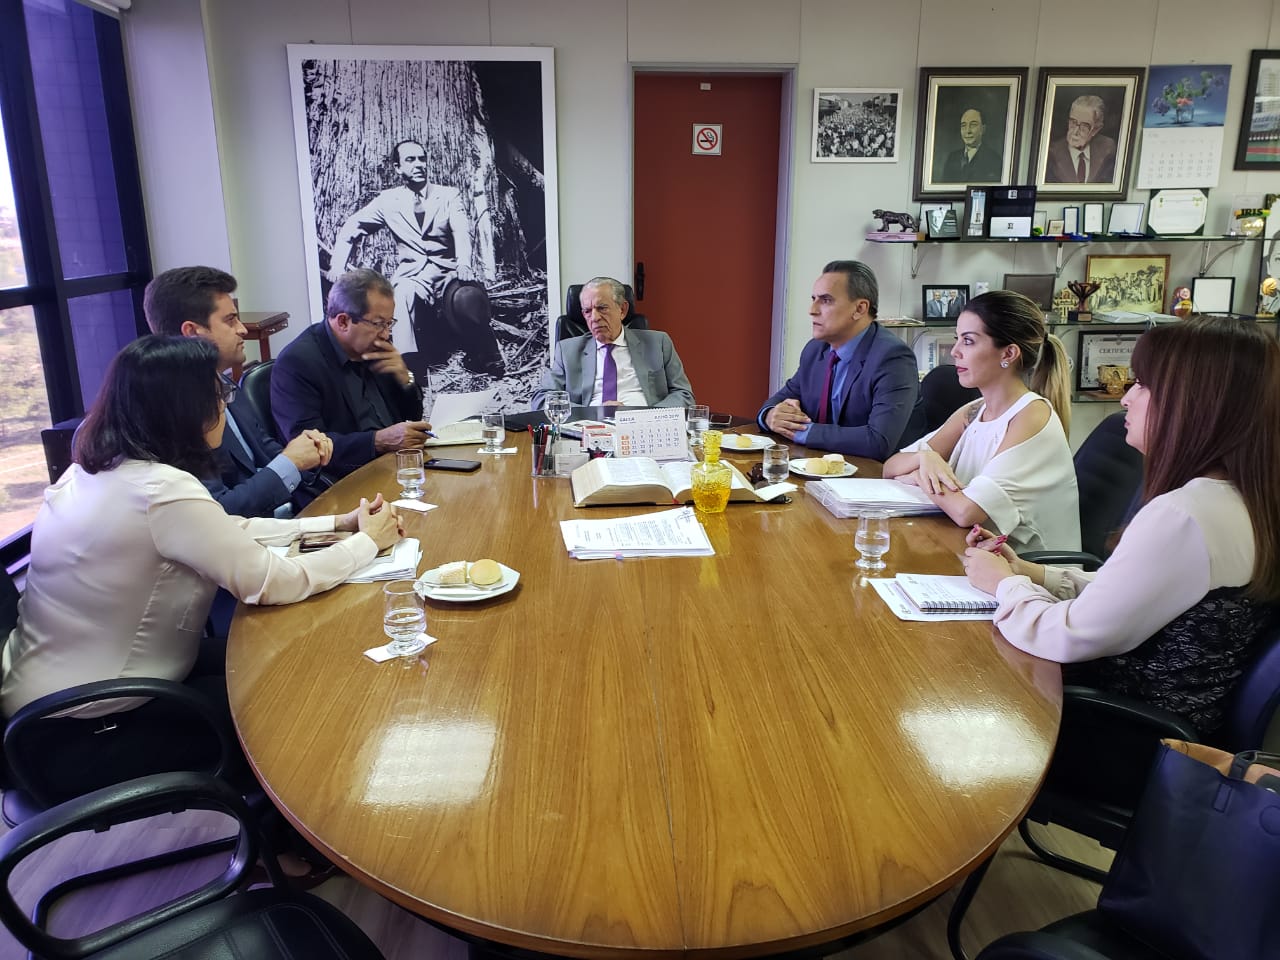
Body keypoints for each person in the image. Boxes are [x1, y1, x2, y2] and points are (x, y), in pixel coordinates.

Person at [0, 334, 403, 735]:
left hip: (48, 697)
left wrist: (339, 524)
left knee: (284, 661)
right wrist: (367, 543)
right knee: (296, 706)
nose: (225, 405)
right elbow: (272, 582)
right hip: (91, 720)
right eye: (218, 394)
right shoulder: (160, 491)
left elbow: (223, 528)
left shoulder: (94, 471)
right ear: (185, 409)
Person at [964, 317, 1280, 734]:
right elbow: (1128, 595)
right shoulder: (1241, 498)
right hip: (1168, 725)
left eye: (1143, 385)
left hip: (1128, 738)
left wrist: (1003, 585)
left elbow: (1068, 636)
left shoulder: (1186, 516)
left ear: (1194, 404)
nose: (1126, 399)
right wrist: (1028, 572)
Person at [883, 290, 1077, 552]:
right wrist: (923, 458)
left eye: (968, 341)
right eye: (957, 340)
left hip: (1020, 569)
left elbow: (967, 512)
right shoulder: (974, 411)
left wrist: (920, 475)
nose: (955, 352)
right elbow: (891, 467)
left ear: (1008, 353)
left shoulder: (1032, 415)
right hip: (972, 552)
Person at [143, 266, 331, 517]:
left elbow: (264, 448)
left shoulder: (221, 379)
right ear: (192, 332)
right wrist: (291, 462)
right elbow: (219, 510)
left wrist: (307, 451)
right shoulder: (170, 411)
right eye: (230, 320)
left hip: (286, 517)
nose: (242, 329)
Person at [328, 139, 503, 377]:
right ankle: (409, 367)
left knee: (468, 298)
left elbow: (462, 231)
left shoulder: (448, 195)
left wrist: (464, 262)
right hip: (413, 275)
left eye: (422, 159)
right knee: (402, 294)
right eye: (410, 160)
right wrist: (337, 265)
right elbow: (352, 227)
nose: (419, 164)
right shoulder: (388, 201)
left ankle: (486, 354)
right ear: (398, 167)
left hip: (448, 272)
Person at [272, 268, 431, 478]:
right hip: (346, 478)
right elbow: (309, 448)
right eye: (378, 324)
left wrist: (405, 379)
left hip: (395, 465)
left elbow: (410, 419)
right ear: (343, 321)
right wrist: (377, 441)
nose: (386, 334)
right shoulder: (298, 363)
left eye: (389, 323)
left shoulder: (375, 348)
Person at [758, 261, 922, 458]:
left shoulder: (893, 358)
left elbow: (878, 441)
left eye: (826, 300)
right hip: (821, 465)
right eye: (814, 299)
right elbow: (784, 396)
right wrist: (770, 415)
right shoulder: (815, 349)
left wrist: (799, 431)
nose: (812, 310)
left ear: (860, 309)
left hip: (878, 472)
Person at [529, 277, 695, 409]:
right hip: (589, 427)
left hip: (643, 427)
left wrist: (646, 416)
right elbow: (541, 398)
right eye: (587, 311)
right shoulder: (568, 351)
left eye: (602, 308)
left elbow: (683, 394)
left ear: (622, 310)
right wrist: (592, 413)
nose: (594, 317)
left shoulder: (658, 343)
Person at [1045, 95, 1117, 184]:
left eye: (1084, 126)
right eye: (1073, 122)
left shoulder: (1108, 148)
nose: (1075, 131)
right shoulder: (1051, 153)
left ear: (1096, 129)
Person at [940, 107, 1002, 182]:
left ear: (983, 129)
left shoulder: (994, 160)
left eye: (973, 125)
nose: (968, 131)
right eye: (963, 125)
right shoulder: (952, 157)